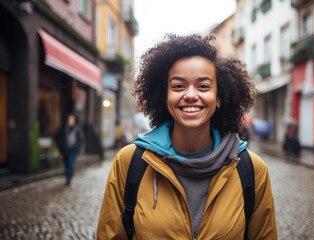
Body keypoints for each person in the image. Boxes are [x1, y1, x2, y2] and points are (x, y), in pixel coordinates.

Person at [97, 35, 277, 239]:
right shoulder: (130, 162)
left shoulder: (252, 170)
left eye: (203, 86)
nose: (190, 95)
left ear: (219, 98)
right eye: (178, 86)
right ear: (164, 97)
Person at [55, 114, 81, 186]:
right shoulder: (63, 129)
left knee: (70, 163)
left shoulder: (76, 129)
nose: (71, 121)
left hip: (73, 150)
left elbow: (79, 140)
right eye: (70, 119)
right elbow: (58, 138)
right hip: (65, 150)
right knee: (67, 164)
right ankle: (69, 173)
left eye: (72, 120)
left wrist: (78, 148)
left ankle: (68, 178)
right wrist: (61, 147)